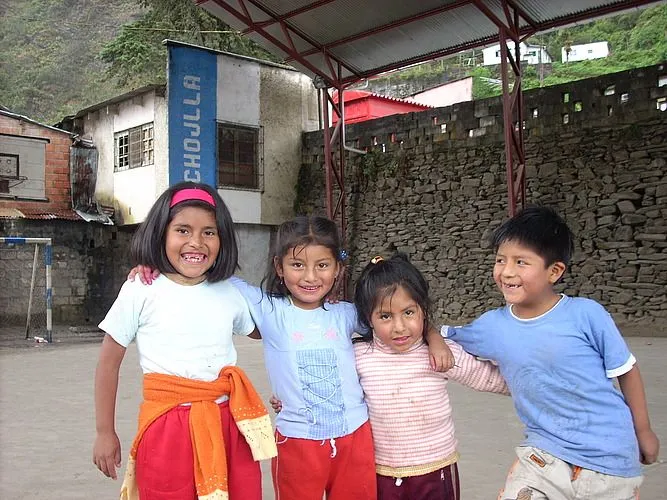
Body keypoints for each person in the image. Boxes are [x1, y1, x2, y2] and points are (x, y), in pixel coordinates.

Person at [131, 215, 454, 500]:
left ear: (338, 269)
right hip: (297, 442)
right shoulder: (270, 310)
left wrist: (434, 336)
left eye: (322, 265)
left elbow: (397, 314)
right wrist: (158, 267)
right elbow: (204, 268)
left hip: (356, 438)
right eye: (297, 265)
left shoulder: (347, 314)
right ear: (279, 267)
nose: (310, 277)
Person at [443, 205, 660, 500]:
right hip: (543, 456)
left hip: (611, 458)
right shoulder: (492, 327)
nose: (506, 272)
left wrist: (643, 430)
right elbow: (443, 335)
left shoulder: (587, 315)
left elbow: (626, 371)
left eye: (521, 262)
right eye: (500, 260)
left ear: (554, 271)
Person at [93, 182, 276, 500]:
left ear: (222, 239)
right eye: (182, 230)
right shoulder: (141, 288)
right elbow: (108, 363)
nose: (196, 242)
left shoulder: (229, 291)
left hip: (227, 422)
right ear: (160, 235)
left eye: (209, 232)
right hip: (166, 426)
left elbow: (274, 333)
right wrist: (104, 432)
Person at [272, 253, 509, 500]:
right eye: (385, 316)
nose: (399, 327)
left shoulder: (439, 353)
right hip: (380, 471)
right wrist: (292, 398)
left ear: (423, 310)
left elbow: (487, 378)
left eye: (409, 312)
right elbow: (331, 387)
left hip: (436, 468)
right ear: (368, 319)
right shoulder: (358, 355)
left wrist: (538, 387)